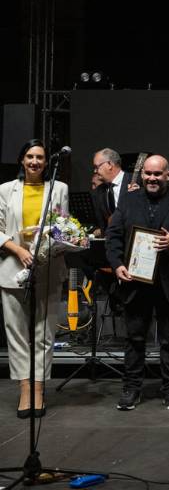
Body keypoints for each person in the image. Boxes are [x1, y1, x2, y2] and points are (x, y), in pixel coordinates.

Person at [105, 155, 169, 411]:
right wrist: (117, 264)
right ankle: (131, 388)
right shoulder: (129, 200)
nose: (152, 178)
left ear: (168, 175)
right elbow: (113, 236)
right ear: (142, 175)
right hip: (135, 281)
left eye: (158, 174)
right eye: (148, 174)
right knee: (134, 338)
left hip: (168, 282)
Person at [0, 139, 69, 418]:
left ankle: (39, 390)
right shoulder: (5, 190)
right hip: (11, 268)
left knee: (44, 334)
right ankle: (25, 389)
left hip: (48, 267)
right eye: (29, 156)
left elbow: (63, 226)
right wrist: (17, 250)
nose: (35, 162)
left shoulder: (59, 188)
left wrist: (47, 249)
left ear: (46, 162)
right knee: (16, 334)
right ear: (21, 160)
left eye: (40, 157)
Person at [92, 148, 136, 235]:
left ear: (109, 164)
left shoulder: (136, 182)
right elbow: (103, 224)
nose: (95, 171)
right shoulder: (99, 191)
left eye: (97, 167)